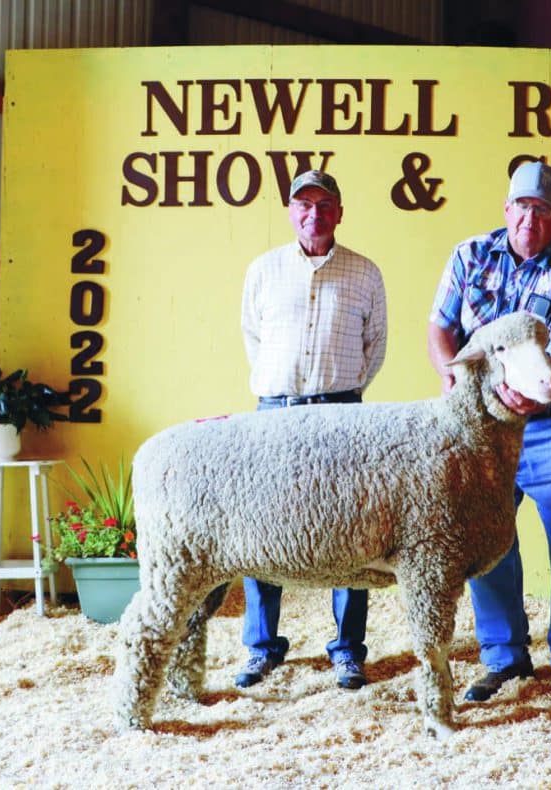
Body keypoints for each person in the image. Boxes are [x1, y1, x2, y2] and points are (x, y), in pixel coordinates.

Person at [427, 160, 551, 710]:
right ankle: (504, 658)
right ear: (507, 210)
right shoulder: (468, 255)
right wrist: (452, 373)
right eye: (523, 207)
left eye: (544, 210)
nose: (532, 218)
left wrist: (529, 396)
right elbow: (439, 326)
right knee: (487, 544)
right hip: (484, 431)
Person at [237, 169, 388, 691]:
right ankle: (261, 648)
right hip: (274, 413)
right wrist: (287, 392)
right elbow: (253, 338)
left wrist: (335, 393)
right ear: (290, 211)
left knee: (349, 533)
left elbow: (376, 349)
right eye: (304, 204)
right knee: (260, 531)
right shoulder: (262, 270)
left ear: (340, 212)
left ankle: (347, 651)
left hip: (341, 415)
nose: (314, 213)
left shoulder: (365, 273)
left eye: (325, 204)